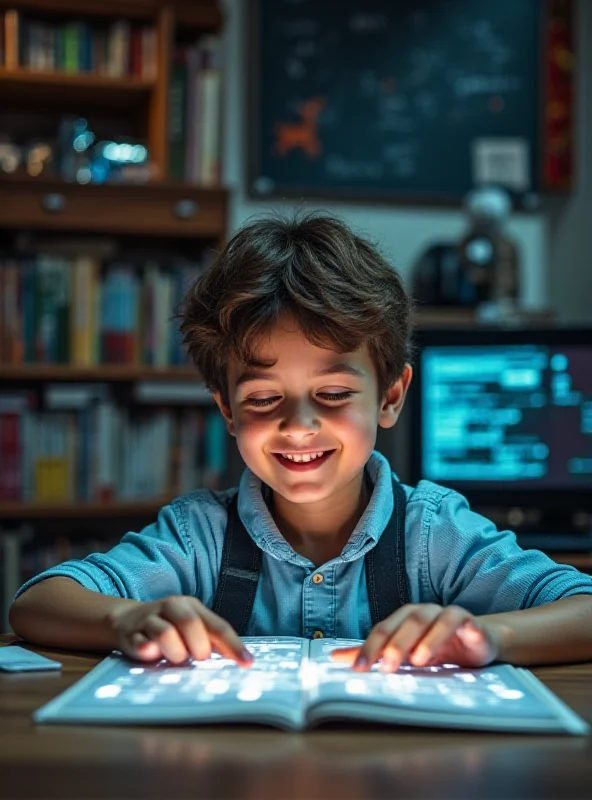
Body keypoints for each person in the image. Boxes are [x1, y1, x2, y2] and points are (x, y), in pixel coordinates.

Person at [9, 213, 592, 674]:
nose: (297, 425)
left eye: (334, 392)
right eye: (263, 399)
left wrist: (486, 635)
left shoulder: (434, 534)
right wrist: (128, 617)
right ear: (227, 410)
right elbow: (37, 604)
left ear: (390, 396)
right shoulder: (199, 537)